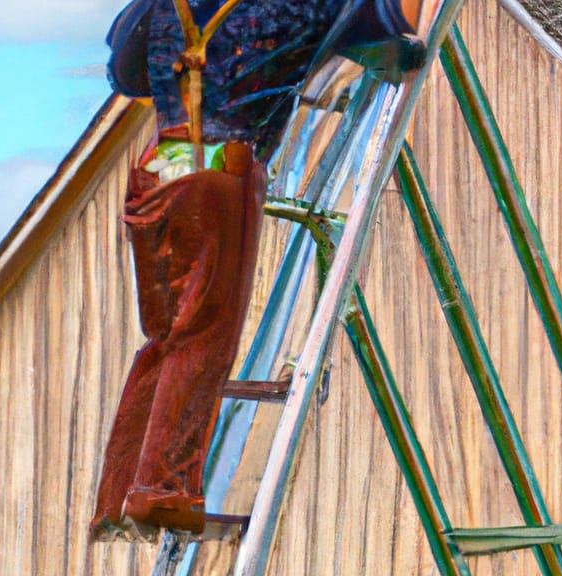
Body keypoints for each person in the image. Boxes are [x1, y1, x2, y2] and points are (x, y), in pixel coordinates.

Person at [91, 0, 423, 541]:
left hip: (160, 163)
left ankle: (118, 497)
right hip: (222, 163)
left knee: (166, 337)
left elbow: (124, 73)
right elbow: (394, 39)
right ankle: (163, 492)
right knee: (204, 338)